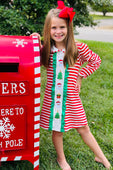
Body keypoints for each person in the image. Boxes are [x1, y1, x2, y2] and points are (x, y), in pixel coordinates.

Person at [31, 1, 111, 169]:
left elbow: (96, 60)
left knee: (83, 128)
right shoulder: (46, 50)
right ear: (48, 29)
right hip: (54, 101)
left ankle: (100, 156)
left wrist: (81, 75)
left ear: (69, 28)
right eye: (54, 28)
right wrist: (33, 39)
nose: (58, 31)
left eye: (62, 27)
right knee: (57, 131)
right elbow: (31, 57)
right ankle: (61, 159)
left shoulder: (77, 48)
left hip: (72, 99)